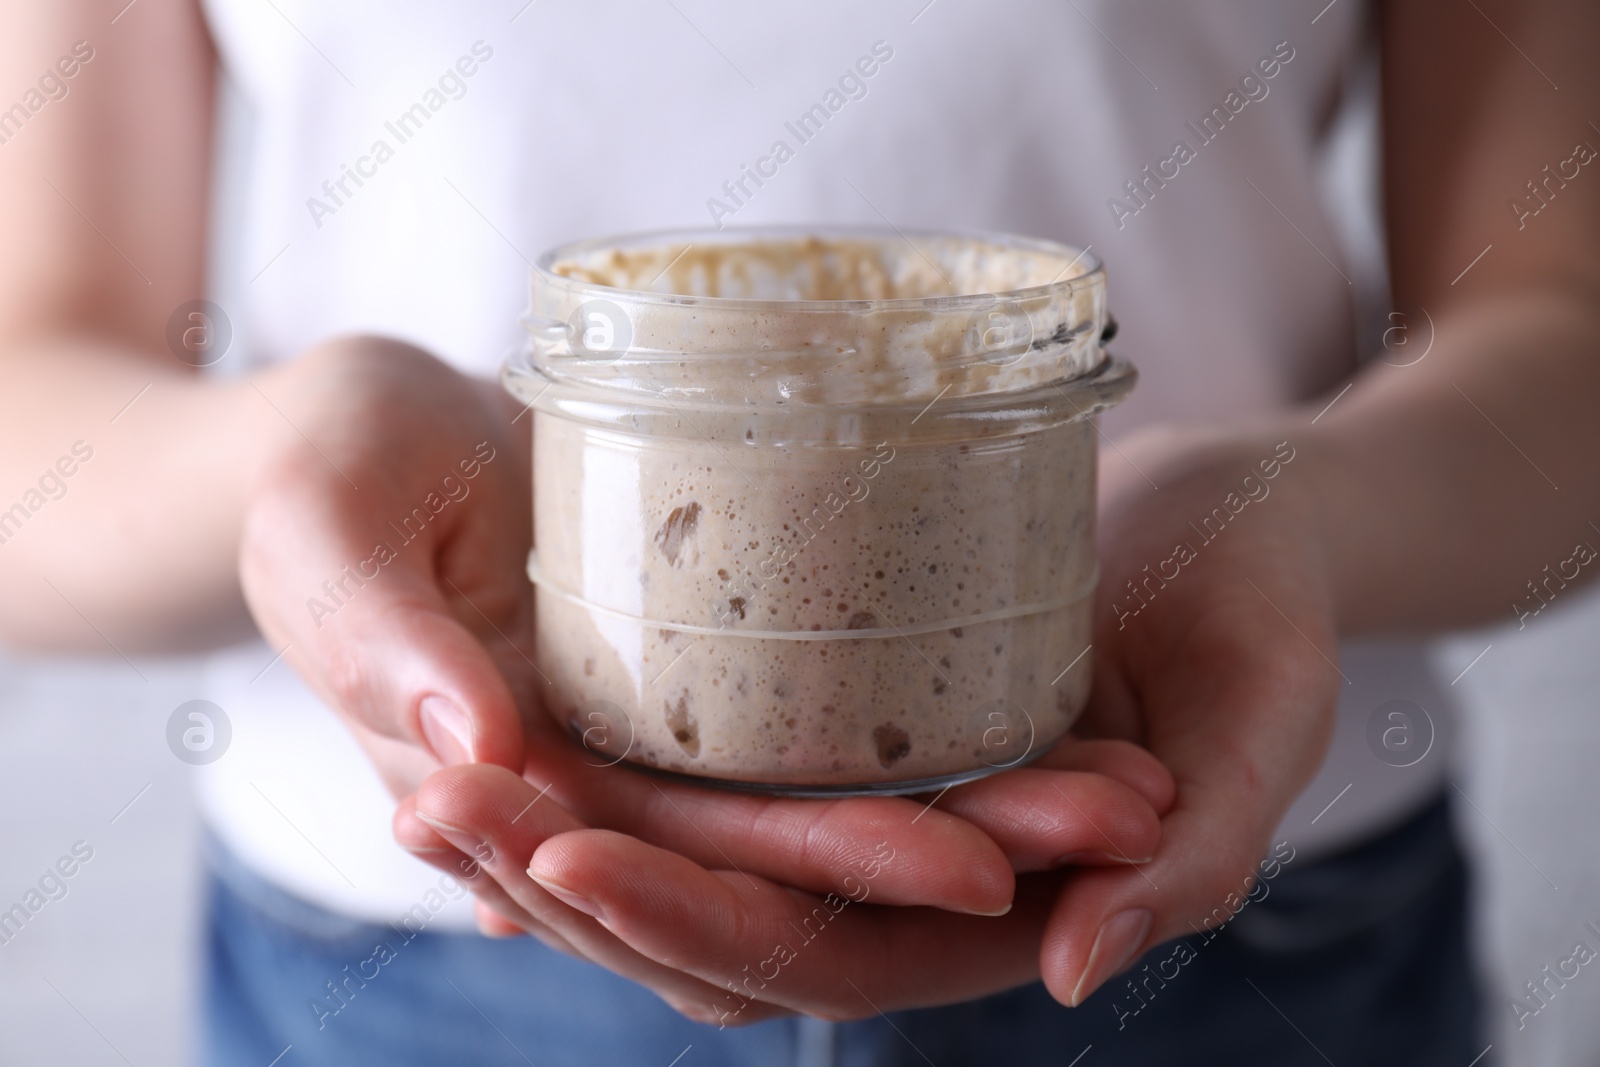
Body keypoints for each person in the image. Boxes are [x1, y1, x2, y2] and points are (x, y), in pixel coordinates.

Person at [0, 0, 1593, 1063]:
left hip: (1227, 908)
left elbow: (1562, 329)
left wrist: (1274, 522)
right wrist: (298, 455)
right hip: (413, 960)